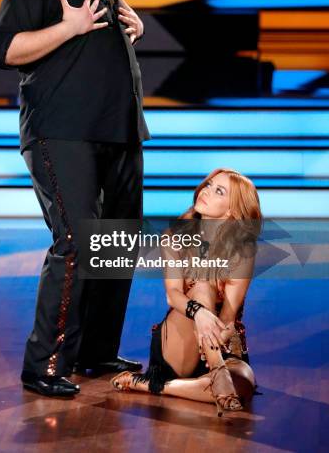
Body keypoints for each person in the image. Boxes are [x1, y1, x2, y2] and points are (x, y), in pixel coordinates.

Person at [0, 0, 150, 397]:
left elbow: (102, 31)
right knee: (77, 245)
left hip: (118, 132)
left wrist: (132, 24)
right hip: (61, 133)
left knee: (115, 247)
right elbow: (8, 49)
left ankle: (94, 351)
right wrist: (68, 27)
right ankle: (45, 363)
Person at [111, 168, 262, 416]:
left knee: (242, 386)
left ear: (232, 211)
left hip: (221, 342)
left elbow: (228, 316)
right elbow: (173, 295)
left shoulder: (243, 250)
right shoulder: (173, 237)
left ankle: (155, 386)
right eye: (209, 184)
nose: (206, 191)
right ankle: (215, 371)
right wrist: (199, 313)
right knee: (202, 287)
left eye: (219, 191)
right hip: (179, 341)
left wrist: (218, 336)